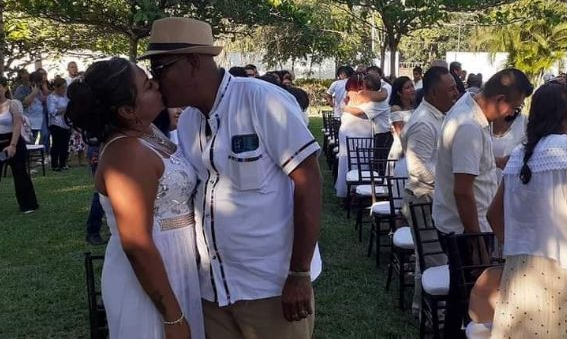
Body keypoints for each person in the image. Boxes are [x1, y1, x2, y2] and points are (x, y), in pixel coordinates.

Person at [141, 17, 321, 338]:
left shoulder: (262, 100)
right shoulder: (188, 123)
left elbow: (308, 181)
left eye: (160, 69)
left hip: (270, 286)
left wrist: (298, 273)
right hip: (213, 289)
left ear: (193, 62)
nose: (156, 81)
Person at [66, 57, 203, 338]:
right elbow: (137, 244)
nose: (156, 83)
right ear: (128, 110)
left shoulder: (148, 132)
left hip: (179, 263)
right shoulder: (126, 153)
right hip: (152, 278)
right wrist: (173, 317)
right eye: (147, 84)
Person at [487, 81, 567, 338]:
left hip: (518, 269)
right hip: (560, 270)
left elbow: (493, 214)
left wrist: (518, 243)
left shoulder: (520, 154)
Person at [433, 68, 533, 338]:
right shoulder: (468, 126)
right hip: (466, 228)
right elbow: (463, 191)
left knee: (462, 295)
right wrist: (476, 239)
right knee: (474, 302)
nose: (511, 113)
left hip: (465, 224)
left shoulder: (471, 109)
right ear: (500, 100)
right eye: (514, 106)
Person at [400, 65, 459, 315]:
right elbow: (417, 167)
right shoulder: (425, 122)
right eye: (451, 89)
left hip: (434, 196)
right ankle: (433, 313)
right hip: (424, 198)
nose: (456, 93)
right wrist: (450, 183)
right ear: (434, 94)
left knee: (432, 257)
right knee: (432, 258)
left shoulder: (439, 115)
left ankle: (421, 308)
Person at [0, 76, 39, 214]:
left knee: (19, 172)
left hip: (13, 140)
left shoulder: (13, 104)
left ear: (4, 87)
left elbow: (17, 124)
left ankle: (28, 204)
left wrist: (13, 145)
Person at [335, 75, 374, 198]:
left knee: (355, 160)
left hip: (356, 131)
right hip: (354, 132)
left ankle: (354, 189)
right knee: (353, 160)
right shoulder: (355, 97)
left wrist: (345, 107)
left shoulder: (351, 99)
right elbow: (360, 112)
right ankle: (353, 190)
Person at [386, 76, 416, 169]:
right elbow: (401, 134)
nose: (412, 89)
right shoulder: (396, 108)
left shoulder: (413, 107)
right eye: (407, 88)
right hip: (401, 150)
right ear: (399, 92)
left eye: (412, 86)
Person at [14, 71, 46, 144]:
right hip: (27, 121)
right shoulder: (21, 89)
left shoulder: (39, 88)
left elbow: (44, 101)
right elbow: (23, 104)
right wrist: (33, 93)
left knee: (41, 137)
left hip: (38, 120)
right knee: (28, 143)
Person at [47, 77, 71, 171]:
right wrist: (64, 109)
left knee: (65, 145)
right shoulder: (51, 97)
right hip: (56, 124)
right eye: (62, 88)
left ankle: (63, 163)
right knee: (57, 144)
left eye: (65, 88)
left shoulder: (66, 97)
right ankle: (54, 164)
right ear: (56, 88)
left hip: (66, 123)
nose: (64, 90)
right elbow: (51, 111)